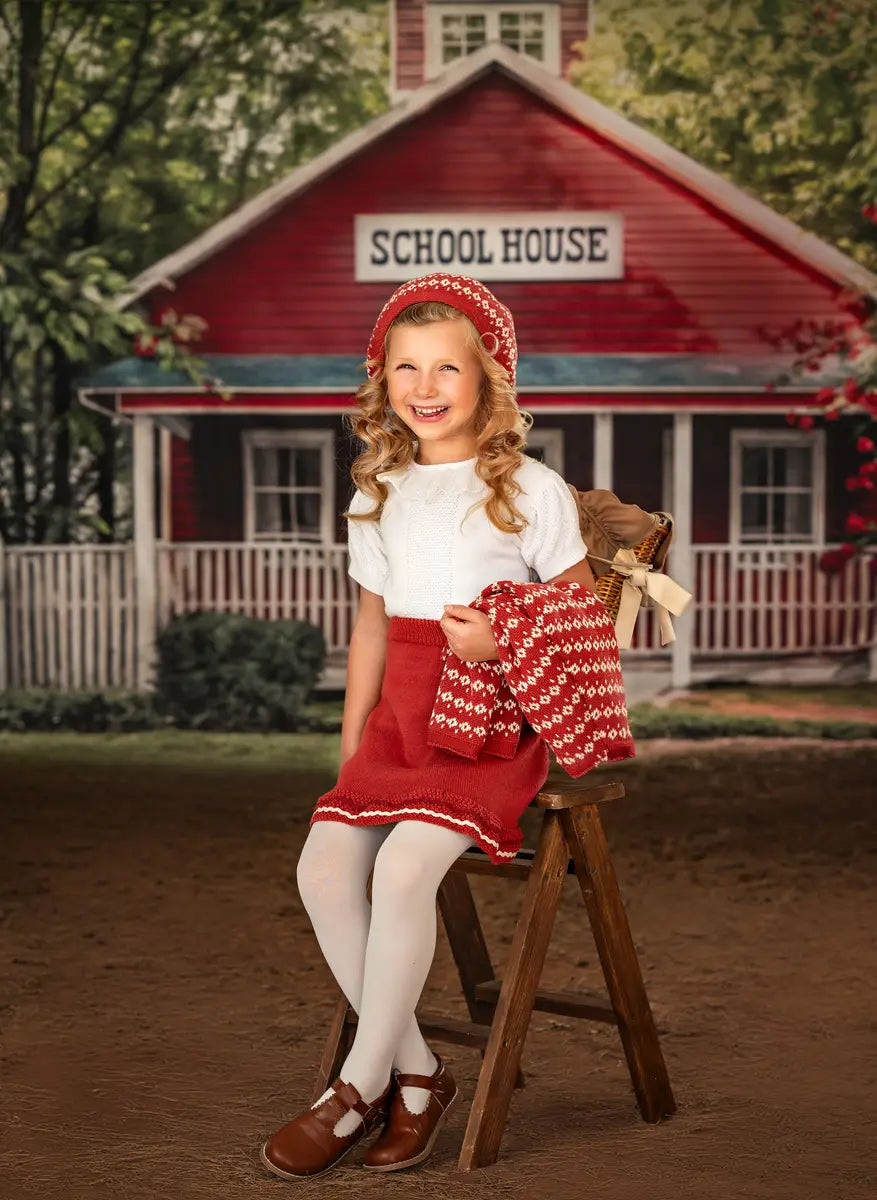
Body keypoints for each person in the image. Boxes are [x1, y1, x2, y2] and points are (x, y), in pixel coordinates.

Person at [261, 273, 599, 1180]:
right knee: (324, 868)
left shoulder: (529, 488)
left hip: (487, 722)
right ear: (382, 380)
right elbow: (370, 628)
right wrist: (351, 759)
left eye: (448, 366)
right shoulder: (377, 490)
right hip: (398, 720)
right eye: (405, 366)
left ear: (487, 380)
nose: (425, 386)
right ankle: (421, 1073)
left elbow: (580, 622)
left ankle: (356, 1090)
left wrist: (503, 636)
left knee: (407, 869)